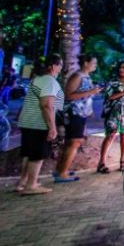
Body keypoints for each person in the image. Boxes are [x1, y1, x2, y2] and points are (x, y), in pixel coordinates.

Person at [15, 54, 64, 195]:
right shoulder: (50, 81)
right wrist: (52, 128)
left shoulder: (37, 79)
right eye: (60, 65)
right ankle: (31, 185)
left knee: (28, 153)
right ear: (53, 66)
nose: (61, 68)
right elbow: (47, 105)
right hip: (39, 123)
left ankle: (23, 182)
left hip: (27, 121)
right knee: (37, 155)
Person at [54, 54, 102, 182]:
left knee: (72, 142)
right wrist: (90, 92)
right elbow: (69, 95)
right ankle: (62, 173)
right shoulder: (77, 76)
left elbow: (84, 96)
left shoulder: (86, 76)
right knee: (75, 141)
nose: (95, 65)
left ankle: (60, 170)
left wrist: (89, 109)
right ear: (85, 63)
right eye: (93, 63)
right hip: (74, 113)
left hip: (80, 113)